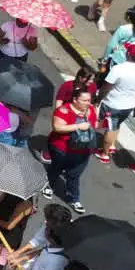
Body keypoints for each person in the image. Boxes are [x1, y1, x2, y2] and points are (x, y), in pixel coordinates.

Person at [42, 84, 99, 213]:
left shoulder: (91, 110)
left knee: (74, 175)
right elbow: (57, 127)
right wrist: (77, 127)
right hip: (62, 149)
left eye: (89, 100)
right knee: (56, 169)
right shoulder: (63, 110)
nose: (88, 103)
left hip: (83, 151)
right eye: (84, 100)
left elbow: (94, 125)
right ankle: (48, 184)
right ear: (75, 100)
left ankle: (74, 198)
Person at [99, 43, 135, 165]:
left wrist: (98, 99)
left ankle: (104, 153)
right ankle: (112, 145)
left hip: (112, 104)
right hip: (129, 106)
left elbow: (106, 87)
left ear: (128, 54)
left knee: (110, 128)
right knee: (117, 123)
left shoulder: (118, 69)